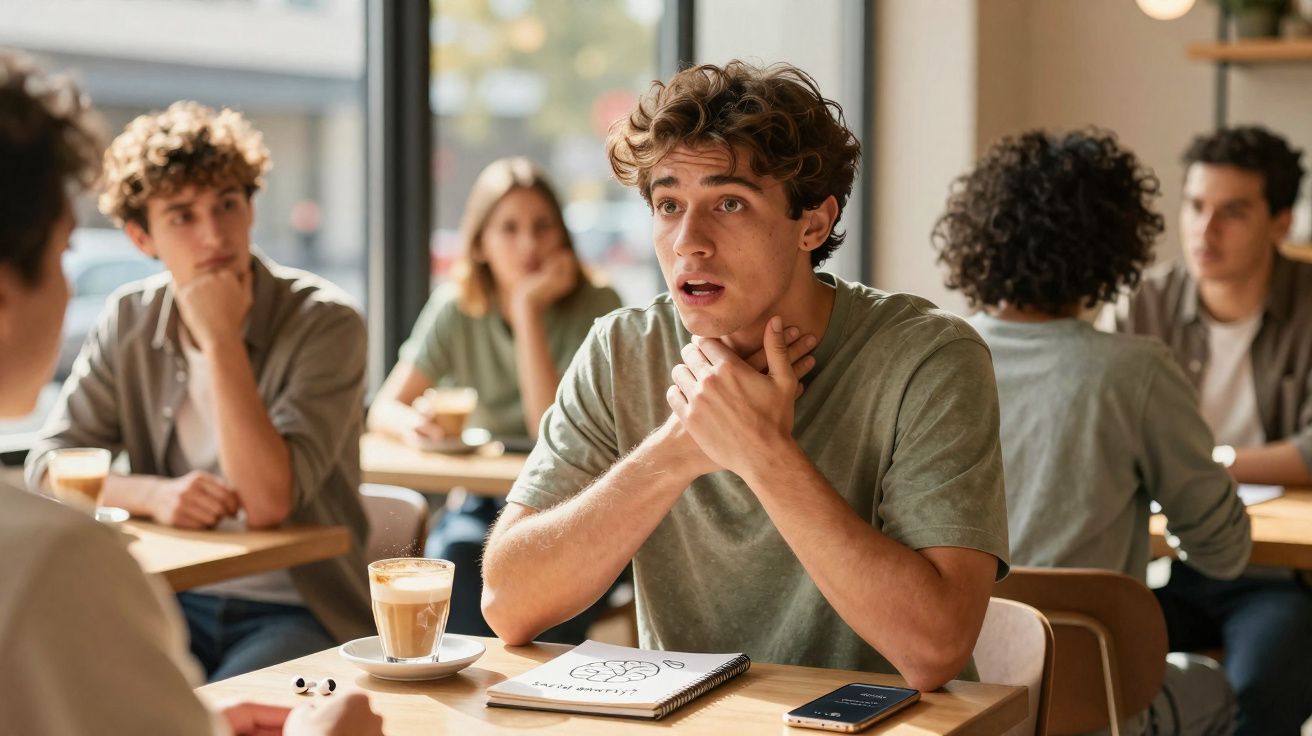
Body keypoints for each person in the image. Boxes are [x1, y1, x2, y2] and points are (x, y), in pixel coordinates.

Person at [480, 60, 1010, 691]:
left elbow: (934, 648)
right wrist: (680, 449)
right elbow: (508, 604)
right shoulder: (622, 349)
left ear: (812, 223)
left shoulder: (930, 358)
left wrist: (761, 451)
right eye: (669, 204)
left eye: (729, 203)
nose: (688, 241)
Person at [0, 49, 382, 736]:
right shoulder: (129, 317)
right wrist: (150, 493)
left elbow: (269, 503)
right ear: (141, 237)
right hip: (170, 592)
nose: (214, 236)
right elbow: (49, 461)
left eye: (228, 205)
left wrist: (221, 339)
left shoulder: (326, 320)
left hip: (299, 607)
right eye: (182, 216)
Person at [935, 128, 1251, 735]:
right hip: (1091, 705)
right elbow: (1224, 552)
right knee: (1210, 685)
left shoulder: (930, 352)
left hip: (955, 699)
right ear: (1113, 246)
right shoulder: (1135, 374)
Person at [367, 156, 622, 640]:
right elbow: (384, 407)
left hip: (576, 506)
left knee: (535, 586)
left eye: (542, 226)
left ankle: (521, 699)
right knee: (457, 558)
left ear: (562, 235)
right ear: (480, 242)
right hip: (488, 505)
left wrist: (527, 309)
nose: (529, 243)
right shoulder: (458, 304)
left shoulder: (598, 305)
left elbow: (549, 431)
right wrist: (414, 426)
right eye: (509, 228)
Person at [1118, 125, 1312, 736]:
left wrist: (1207, 465)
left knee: (1257, 693)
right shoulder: (1145, 303)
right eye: (1196, 206)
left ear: (1281, 222)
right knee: (1089, 662)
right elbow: (1114, 434)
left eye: (1233, 212)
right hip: (1174, 565)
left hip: (1278, 578)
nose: (1205, 231)